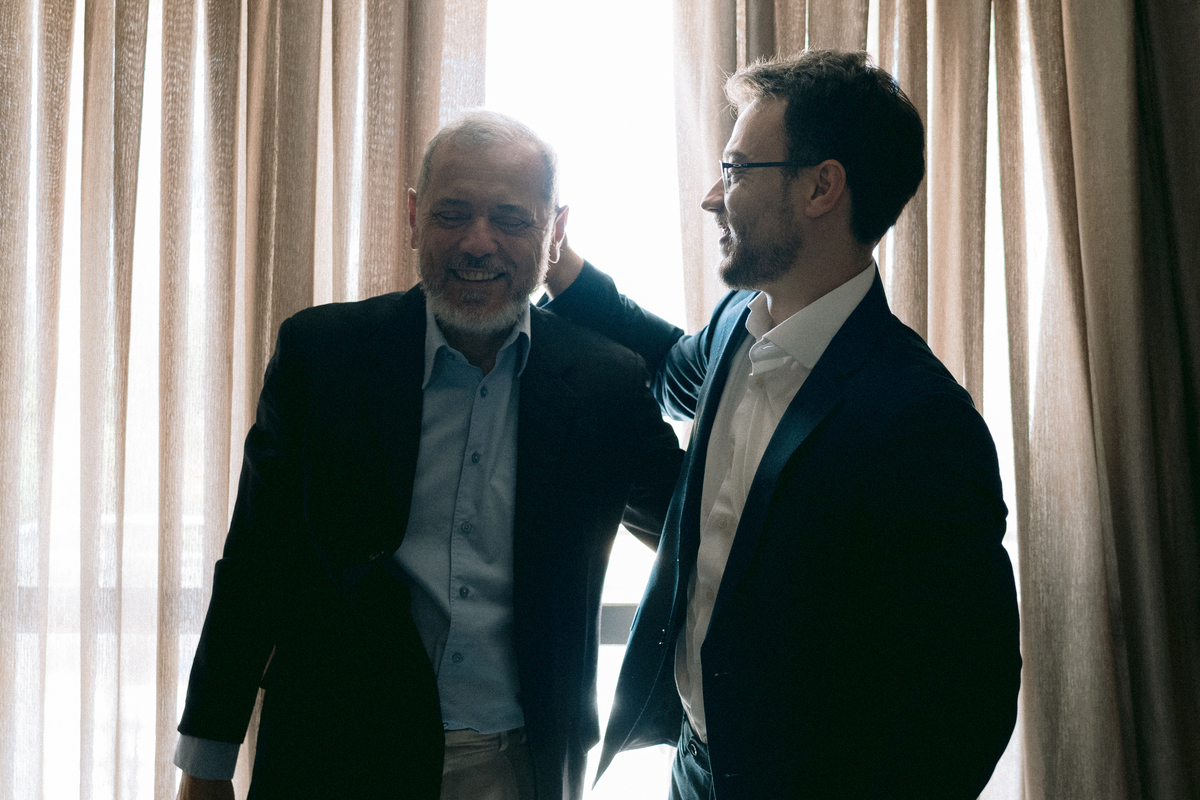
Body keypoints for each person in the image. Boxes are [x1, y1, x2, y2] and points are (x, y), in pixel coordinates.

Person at [543, 50, 1021, 799]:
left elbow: (967, 693)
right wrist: (561, 269)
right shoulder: (735, 321)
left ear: (821, 187)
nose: (712, 197)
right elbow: (669, 366)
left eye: (735, 170)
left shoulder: (922, 423)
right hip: (691, 772)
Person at [173, 111, 683, 800]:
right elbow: (257, 564)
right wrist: (205, 762)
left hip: (521, 766)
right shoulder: (324, 357)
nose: (477, 243)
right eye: (452, 214)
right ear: (414, 217)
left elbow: (696, 532)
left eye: (511, 219)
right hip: (333, 756)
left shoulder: (607, 384)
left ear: (555, 230)